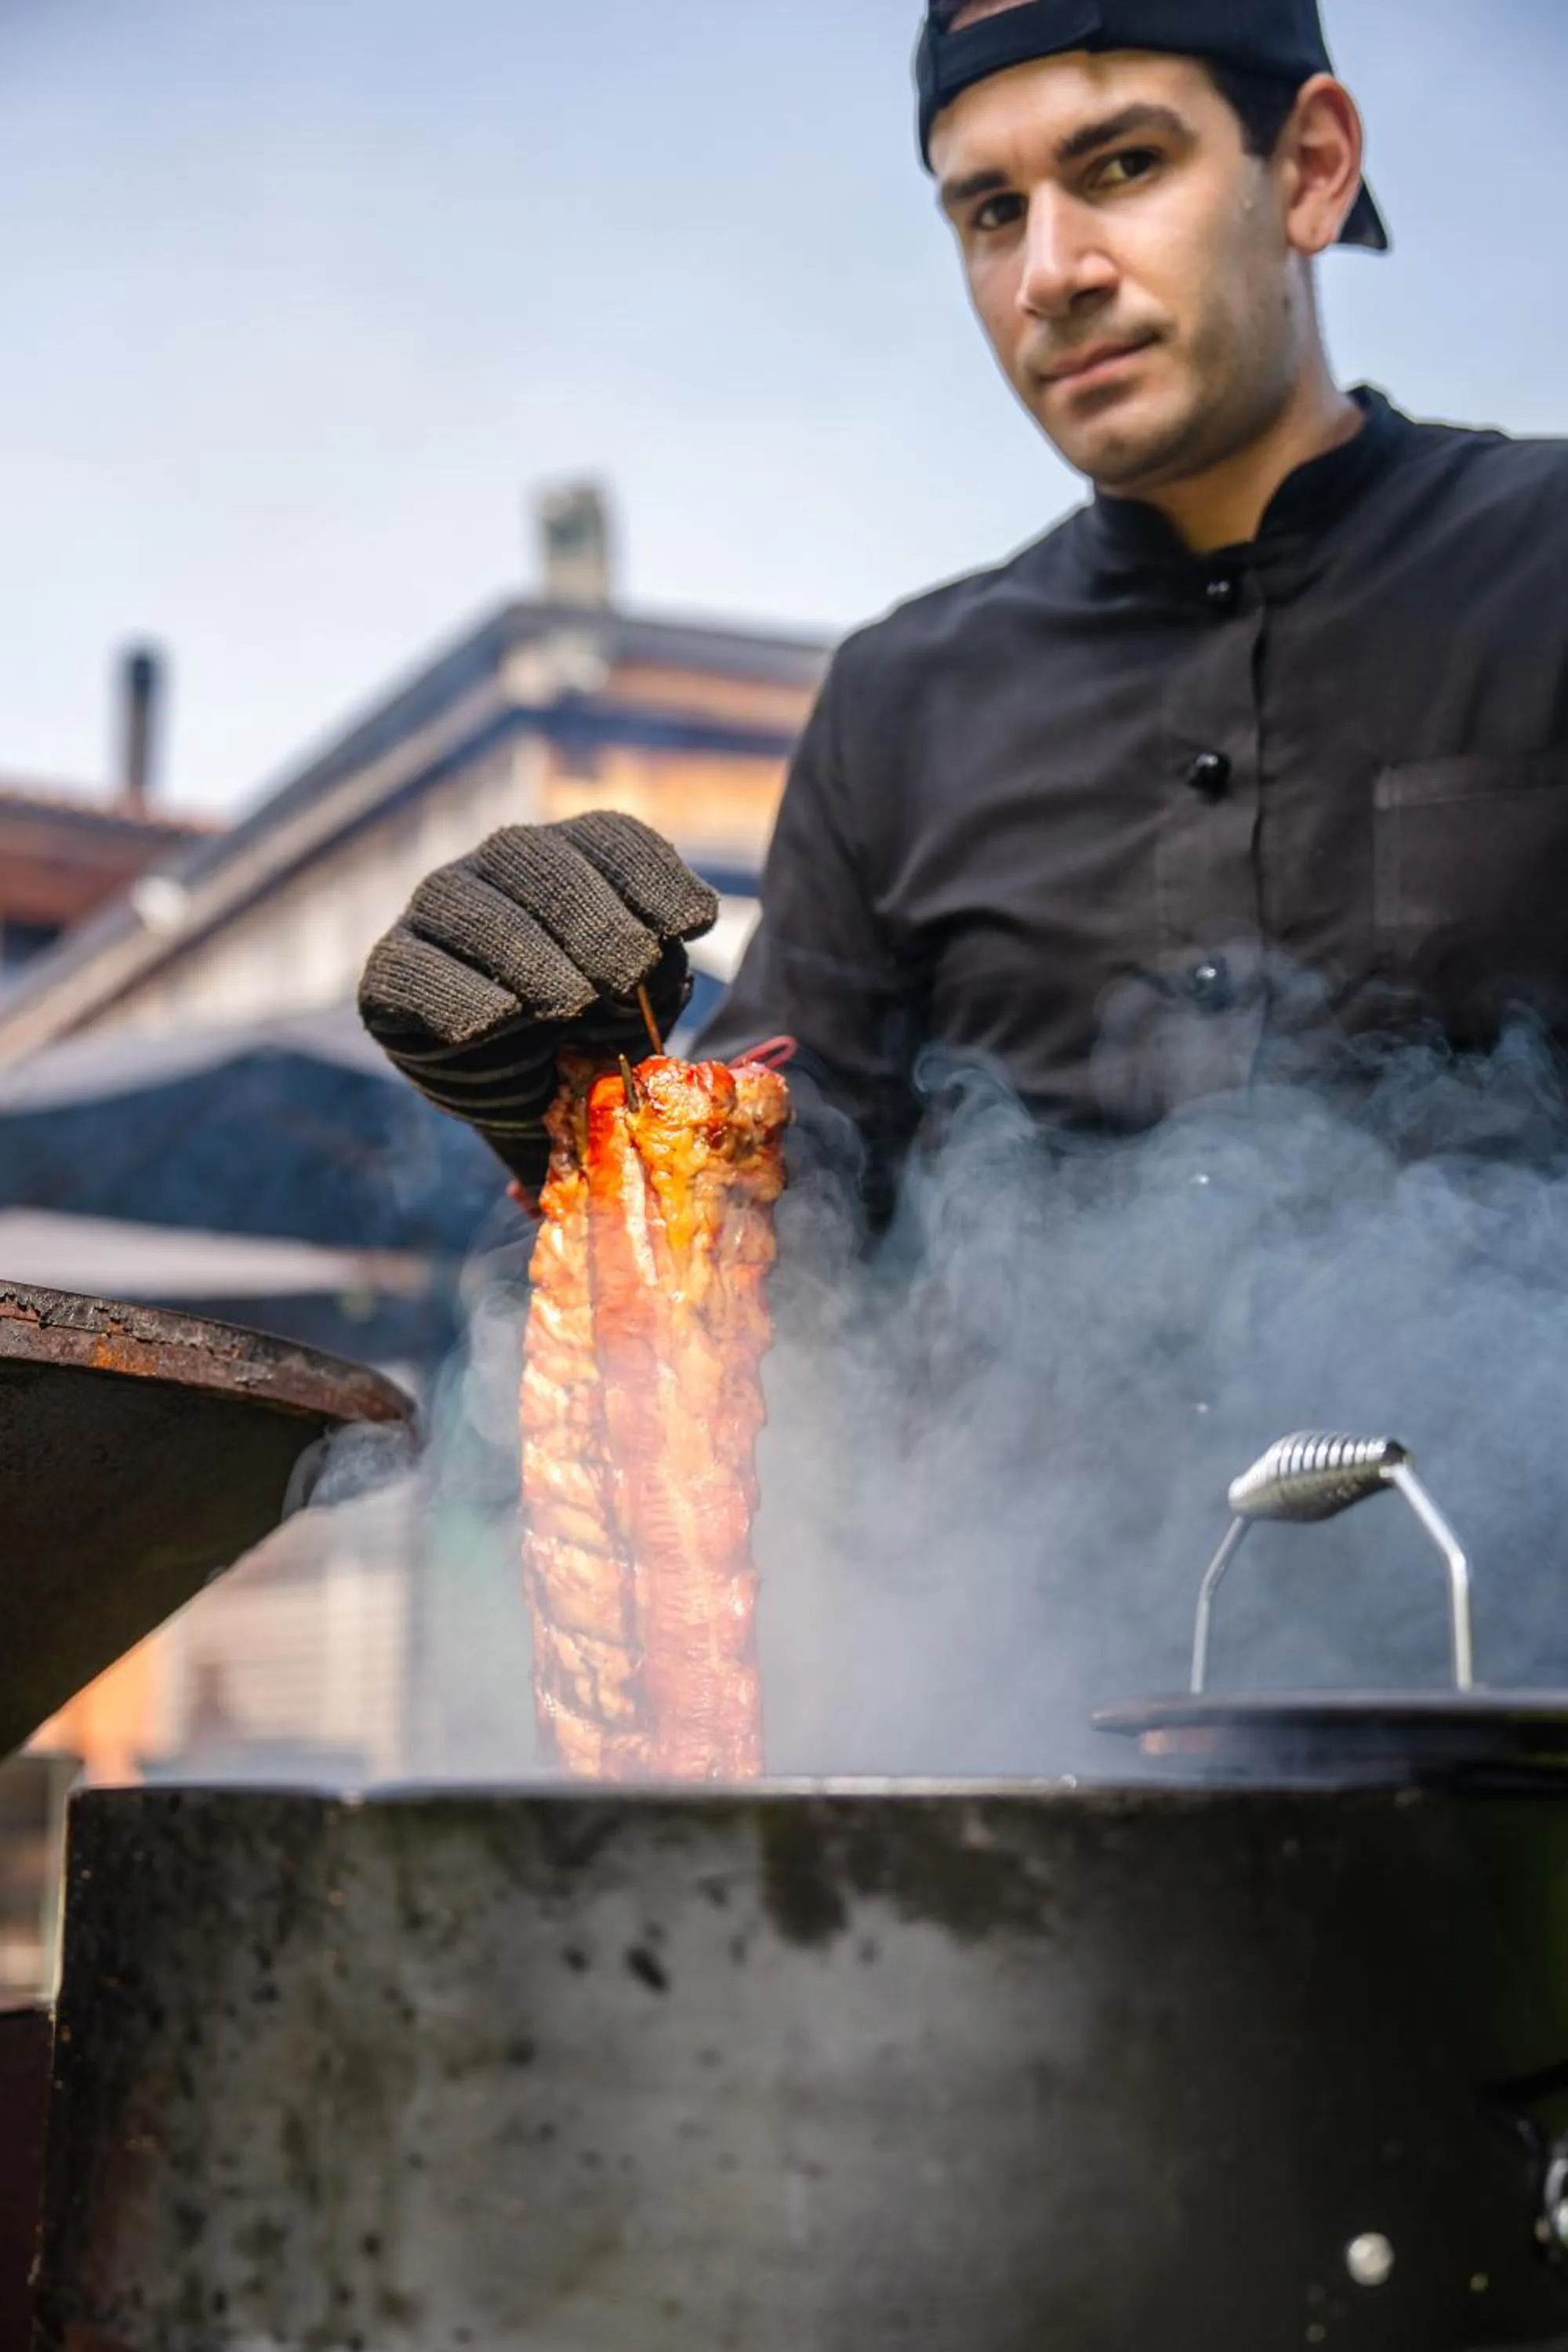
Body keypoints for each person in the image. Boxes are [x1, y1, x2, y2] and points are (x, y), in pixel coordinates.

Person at [360, 0, 1568, 1222]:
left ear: (1310, 167)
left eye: (1126, 166)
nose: (1051, 273)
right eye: (993, 211)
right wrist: (570, 1099)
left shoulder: (1547, 561)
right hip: (1010, 1424)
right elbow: (789, 1211)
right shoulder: (900, 700)